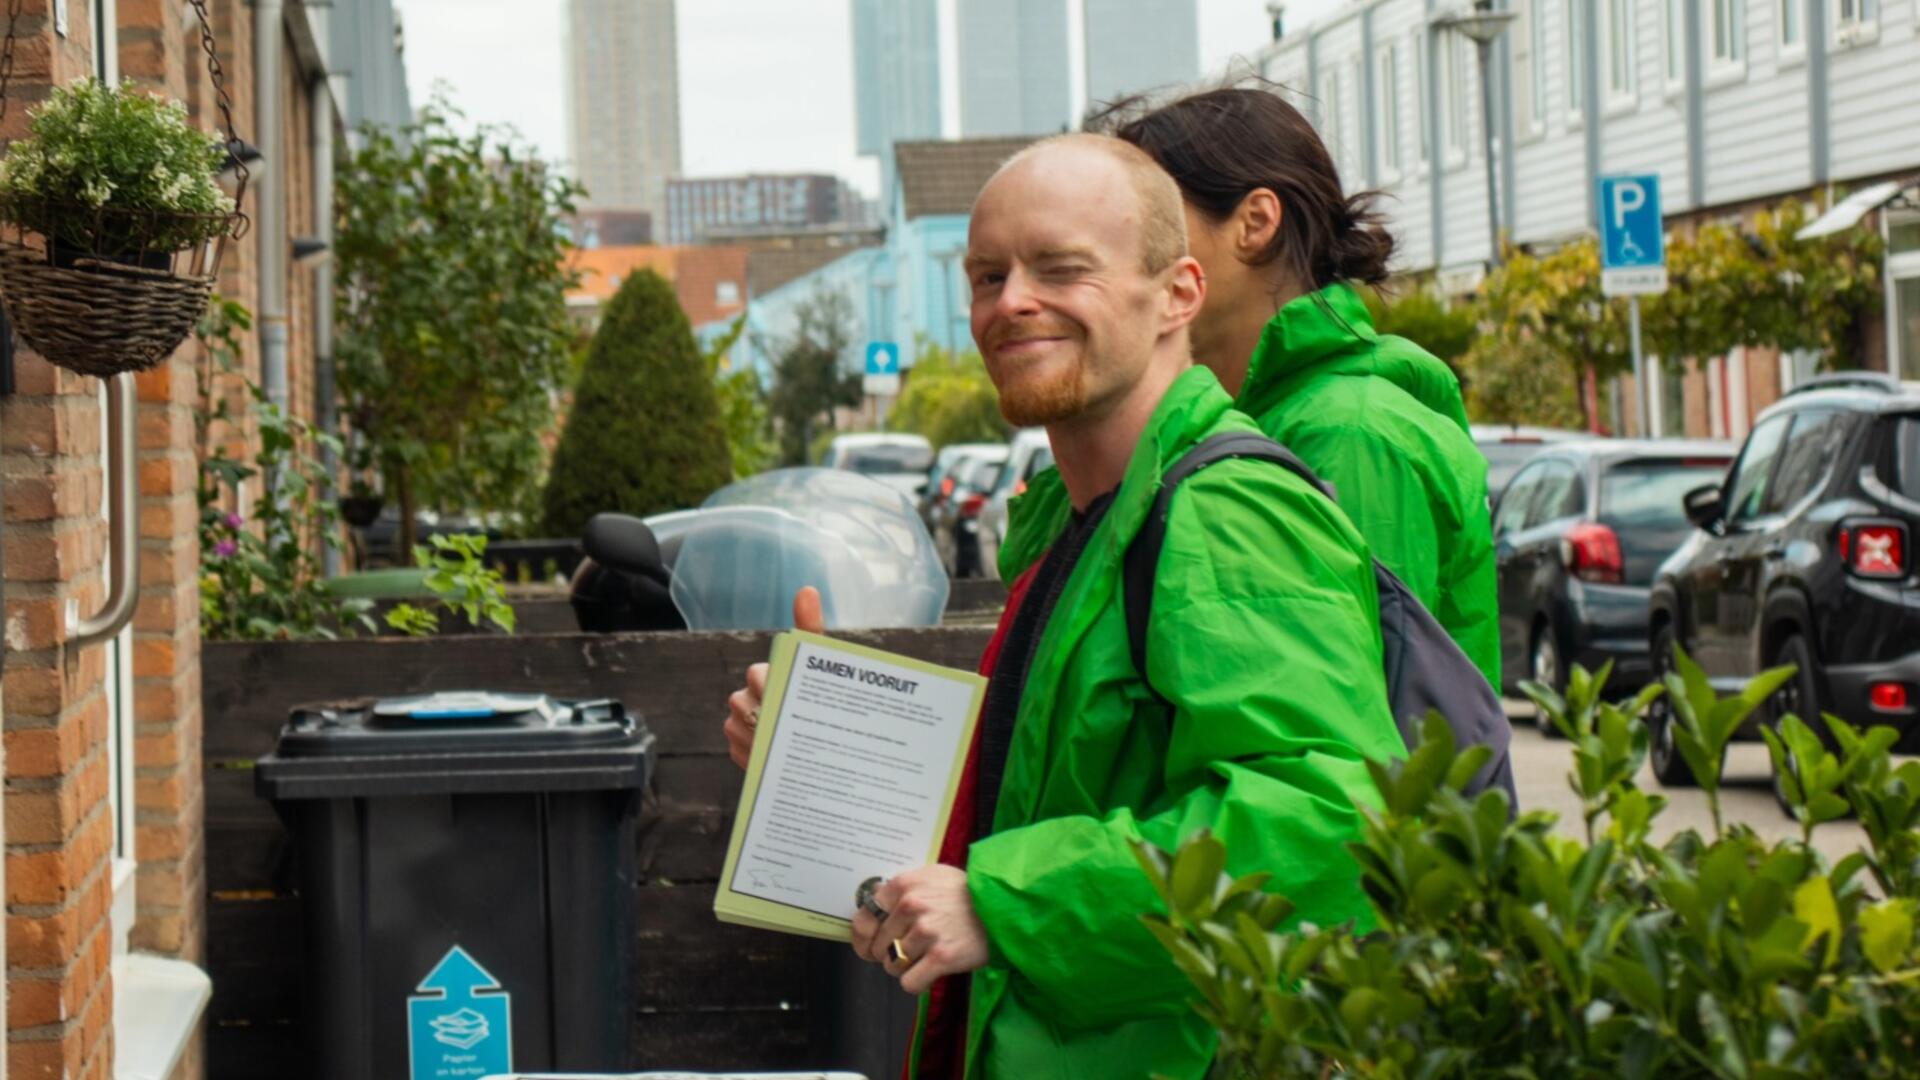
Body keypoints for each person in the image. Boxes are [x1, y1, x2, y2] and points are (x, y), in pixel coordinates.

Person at [734, 133, 1403, 1079]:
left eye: (1062, 269)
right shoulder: (1082, 519)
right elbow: (1063, 784)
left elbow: (1326, 825)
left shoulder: (1225, 510)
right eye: (987, 275)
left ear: (1177, 292)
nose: (1011, 301)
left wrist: (1006, 904)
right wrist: (821, 745)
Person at [996, 85, 1501, 690]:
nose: (1126, 247)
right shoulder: (1217, 424)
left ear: (1255, 223)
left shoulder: (1350, 436)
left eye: (1154, 215)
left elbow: (1348, 735)